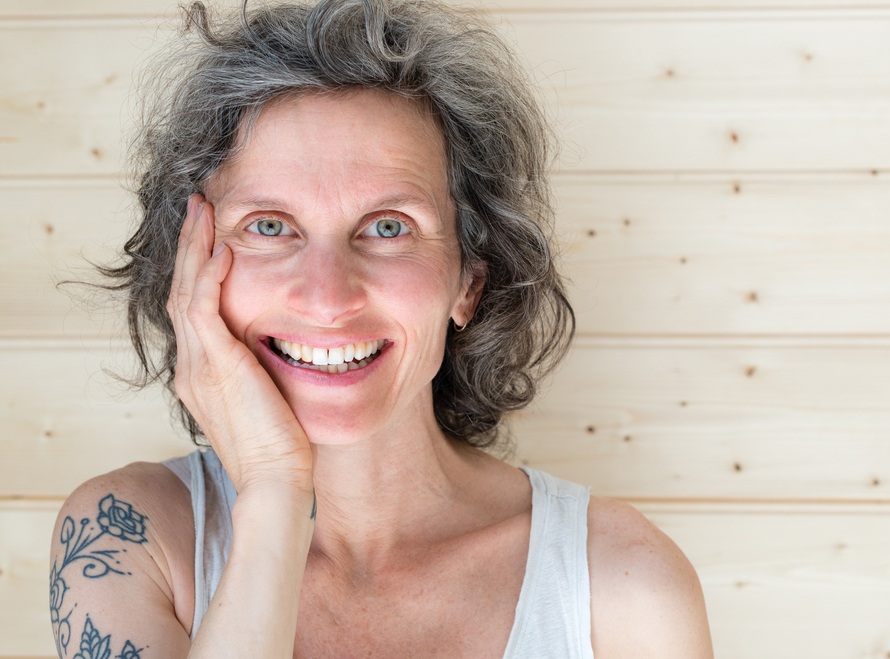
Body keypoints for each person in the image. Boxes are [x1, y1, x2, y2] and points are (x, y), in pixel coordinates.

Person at [48, 1, 714, 657]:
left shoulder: (625, 586)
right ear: (191, 272)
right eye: (271, 226)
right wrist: (277, 491)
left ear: (468, 281)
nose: (328, 295)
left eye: (388, 227)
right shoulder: (124, 538)